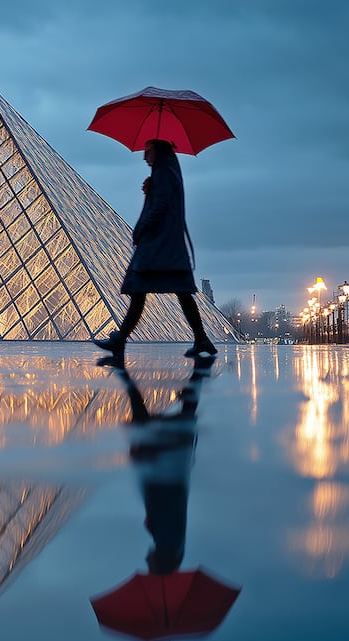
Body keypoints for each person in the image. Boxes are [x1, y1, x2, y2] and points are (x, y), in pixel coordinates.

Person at [94, 139, 217, 358]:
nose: (144, 156)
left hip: (159, 246)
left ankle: (121, 340)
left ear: (157, 151)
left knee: (140, 290)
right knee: (176, 292)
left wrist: (141, 228)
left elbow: (160, 207)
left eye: (147, 151)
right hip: (168, 246)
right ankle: (201, 339)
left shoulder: (164, 173)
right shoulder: (168, 170)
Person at [105, 354, 215, 574]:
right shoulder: (167, 541)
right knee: (141, 415)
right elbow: (158, 498)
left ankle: (198, 377)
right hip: (165, 464)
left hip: (176, 464)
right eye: (150, 564)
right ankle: (124, 375)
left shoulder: (174, 545)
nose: (146, 561)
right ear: (159, 563)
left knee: (183, 413)